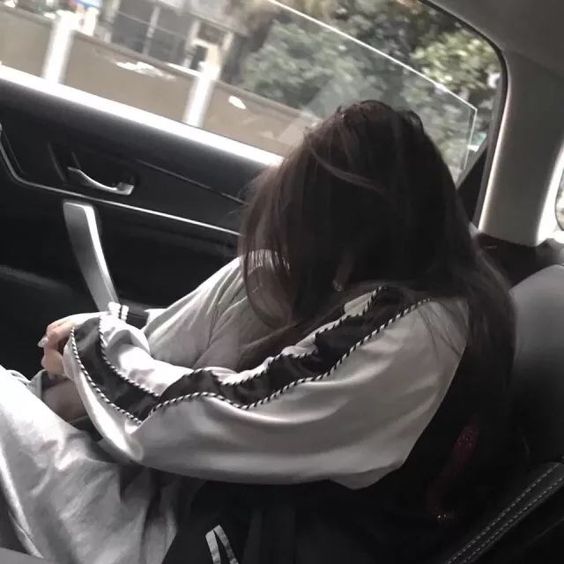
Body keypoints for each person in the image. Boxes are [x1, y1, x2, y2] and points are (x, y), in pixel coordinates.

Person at [0, 101, 514, 564]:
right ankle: (56, 404)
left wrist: (90, 344)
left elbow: (205, 416)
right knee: (260, 276)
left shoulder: (416, 336)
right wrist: (100, 350)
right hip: (207, 489)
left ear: (352, 227)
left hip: (204, 538)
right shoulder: (411, 298)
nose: (296, 245)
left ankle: (52, 408)